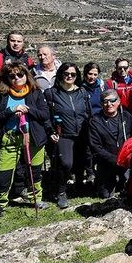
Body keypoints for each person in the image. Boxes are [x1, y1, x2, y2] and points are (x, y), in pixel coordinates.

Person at [0, 61, 50, 209]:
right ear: (7, 78)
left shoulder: (35, 93)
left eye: (20, 74)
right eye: (12, 76)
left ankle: (36, 198)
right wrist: (11, 110)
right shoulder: (1, 96)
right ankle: (1, 203)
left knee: (34, 171)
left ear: (26, 76)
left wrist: (29, 110)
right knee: (4, 173)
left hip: (33, 137)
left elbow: (45, 114)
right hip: (9, 138)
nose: (16, 78)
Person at [44, 62, 92, 208]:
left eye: (73, 74)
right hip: (63, 134)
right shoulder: (51, 93)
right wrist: (50, 131)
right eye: (66, 74)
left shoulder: (82, 92)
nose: (69, 76)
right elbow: (46, 116)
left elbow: (88, 112)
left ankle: (79, 185)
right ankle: (61, 192)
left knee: (81, 161)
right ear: (60, 74)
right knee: (66, 163)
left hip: (82, 132)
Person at [87, 89, 132, 198]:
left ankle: (123, 181)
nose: (109, 104)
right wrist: (114, 159)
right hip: (107, 162)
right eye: (105, 101)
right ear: (101, 103)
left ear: (119, 101)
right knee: (105, 195)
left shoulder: (126, 116)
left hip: (126, 160)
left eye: (112, 100)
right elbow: (95, 146)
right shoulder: (95, 121)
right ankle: (101, 181)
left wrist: (130, 155)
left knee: (131, 189)